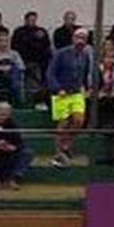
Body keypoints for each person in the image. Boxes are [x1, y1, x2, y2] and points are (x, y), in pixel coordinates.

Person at [46, 27, 94, 167]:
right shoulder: (61, 54)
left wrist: (86, 87)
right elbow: (51, 72)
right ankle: (58, 152)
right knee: (63, 123)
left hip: (76, 92)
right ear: (73, 38)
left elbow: (84, 73)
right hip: (61, 92)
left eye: (83, 38)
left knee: (79, 120)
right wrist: (57, 88)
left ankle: (66, 145)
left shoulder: (85, 55)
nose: (80, 41)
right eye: (78, 37)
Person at [0, 102, 31, 190]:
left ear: (9, 114)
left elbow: (20, 143)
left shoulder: (13, 125)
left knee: (27, 153)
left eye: (4, 114)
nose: (1, 116)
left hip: (8, 155)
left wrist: (12, 147)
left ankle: (14, 179)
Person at [12, 11, 53, 101]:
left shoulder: (41, 31)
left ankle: (39, 98)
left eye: (34, 20)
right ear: (25, 20)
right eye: (30, 20)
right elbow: (15, 46)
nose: (32, 22)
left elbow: (46, 46)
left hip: (39, 61)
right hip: (23, 60)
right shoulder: (19, 31)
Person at [0, 29, 27, 105]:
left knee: (15, 71)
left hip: (11, 75)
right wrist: (1, 68)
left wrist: (10, 68)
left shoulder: (14, 53)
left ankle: (18, 102)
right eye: (1, 40)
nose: (4, 43)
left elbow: (22, 67)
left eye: (6, 40)